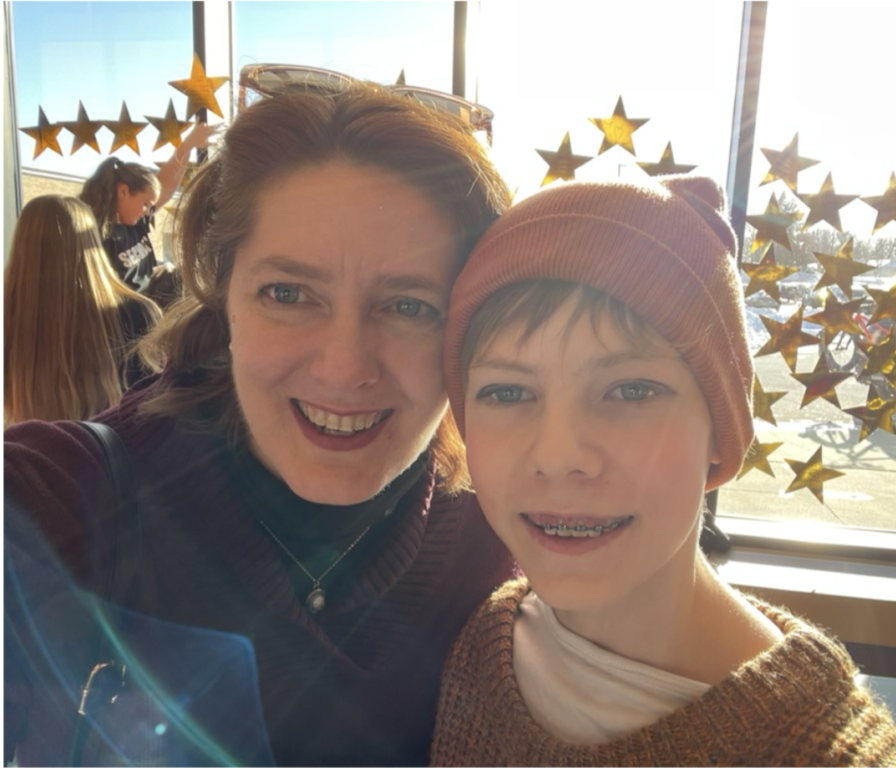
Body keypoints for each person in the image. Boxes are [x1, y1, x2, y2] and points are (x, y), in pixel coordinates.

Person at [5, 83, 515, 766]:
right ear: (224, 295)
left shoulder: (498, 549)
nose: (344, 369)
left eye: (410, 306)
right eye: (288, 294)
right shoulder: (65, 501)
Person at [431, 175, 896, 766]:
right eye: (509, 393)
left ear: (720, 431)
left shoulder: (830, 754)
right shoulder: (483, 647)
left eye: (631, 390)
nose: (559, 455)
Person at [3, 194, 160, 426]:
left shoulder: (9, 319)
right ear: (91, 244)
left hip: (31, 455)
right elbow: (155, 413)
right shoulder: (138, 313)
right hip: (113, 455)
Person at [78, 122, 215, 306]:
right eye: (145, 204)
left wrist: (188, 144)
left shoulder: (136, 223)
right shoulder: (96, 235)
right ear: (123, 192)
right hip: (132, 315)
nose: (148, 211)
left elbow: (166, 186)